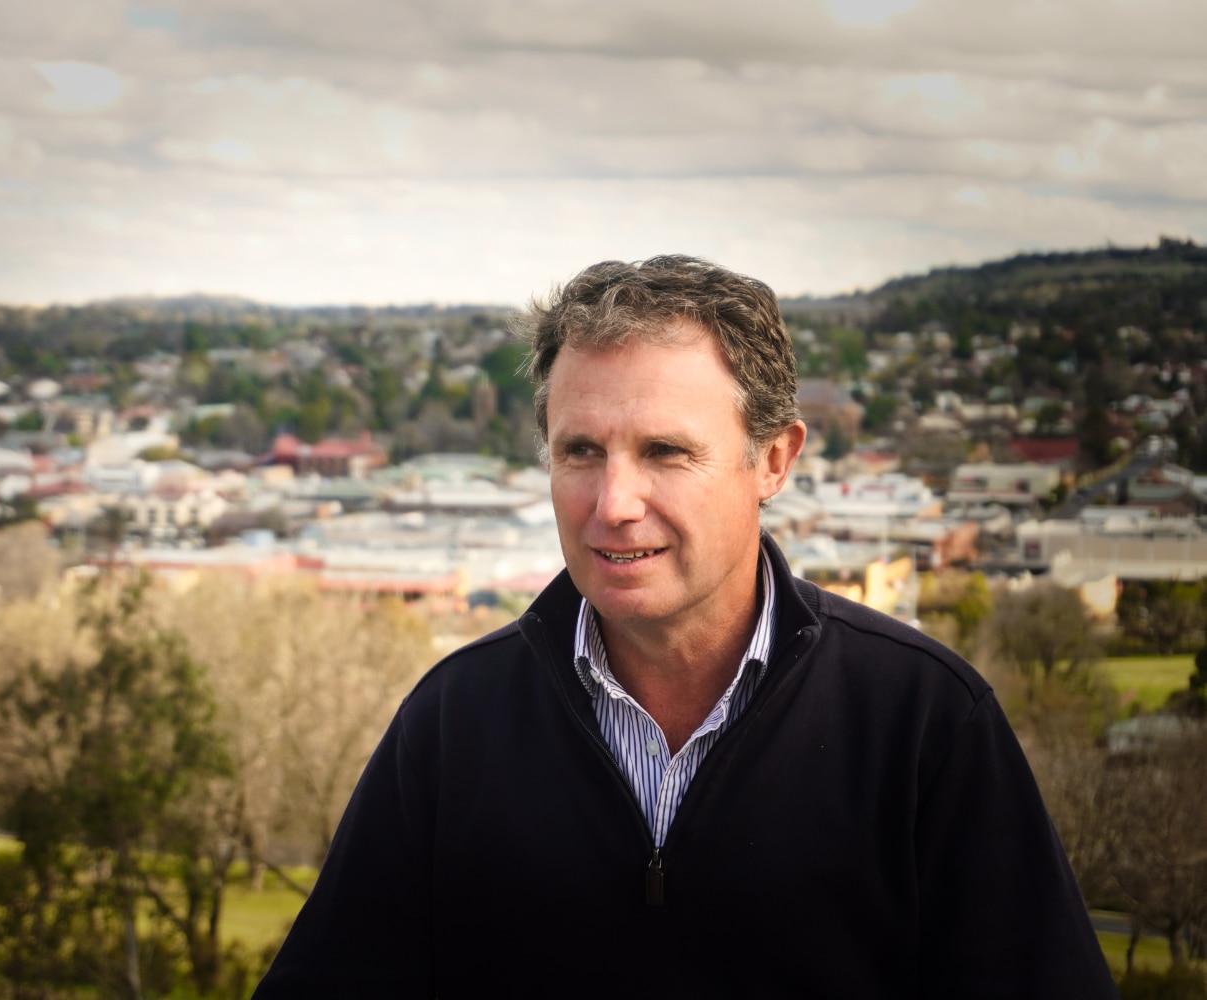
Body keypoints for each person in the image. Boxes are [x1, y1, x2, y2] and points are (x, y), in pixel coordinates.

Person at [253, 256, 1116, 997]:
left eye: (666, 452)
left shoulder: (924, 724)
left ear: (773, 459)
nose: (613, 505)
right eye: (579, 452)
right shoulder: (454, 724)